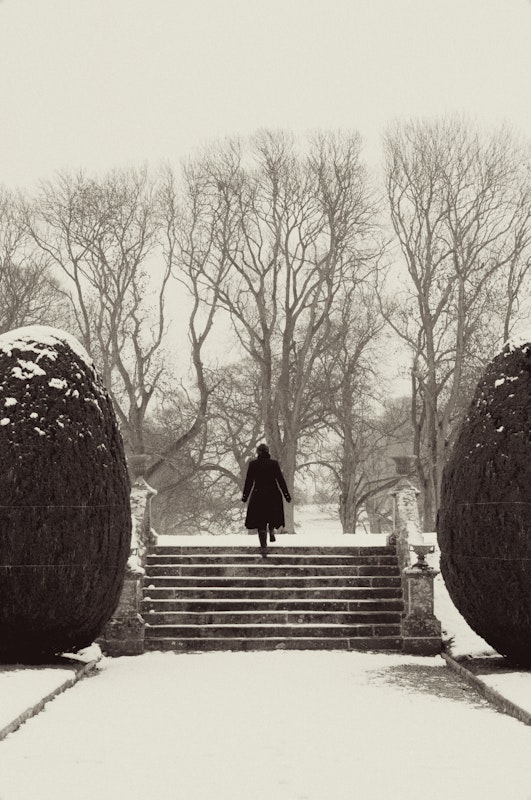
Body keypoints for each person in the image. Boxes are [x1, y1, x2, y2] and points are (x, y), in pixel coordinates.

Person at [241, 443, 291, 557]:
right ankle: (271, 529)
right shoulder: (274, 464)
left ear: (258, 452)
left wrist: (245, 496)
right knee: (271, 515)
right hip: (273, 494)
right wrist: (286, 495)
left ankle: (263, 546)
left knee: (261, 522)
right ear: (268, 452)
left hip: (258, 495)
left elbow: (249, 481)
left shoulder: (253, 464)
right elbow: (280, 480)